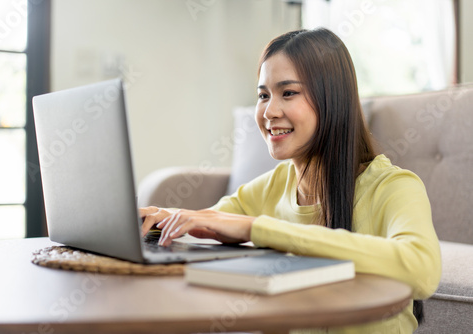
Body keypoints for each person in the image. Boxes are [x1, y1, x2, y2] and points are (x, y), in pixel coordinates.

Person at [140, 28, 441, 333]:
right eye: (263, 95)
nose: (269, 111)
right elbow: (207, 222)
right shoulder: (272, 186)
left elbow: (422, 270)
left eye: (288, 93)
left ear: (331, 99)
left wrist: (255, 228)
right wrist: (163, 219)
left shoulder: (393, 187)